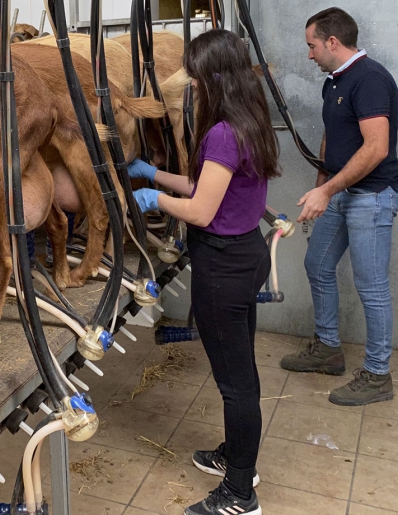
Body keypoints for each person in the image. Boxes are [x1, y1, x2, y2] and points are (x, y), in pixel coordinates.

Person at [131, 28, 279, 515]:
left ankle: (240, 493)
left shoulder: (220, 131)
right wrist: (153, 173)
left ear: (214, 78)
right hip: (245, 256)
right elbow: (205, 184)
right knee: (241, 372)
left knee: (236, 383)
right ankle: (237, 459)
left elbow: (199, 209)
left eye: (195, 78)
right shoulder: (249, 120)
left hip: (223, 267)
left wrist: (155, 200)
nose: (190, 86)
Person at [279, 7, 398, 406]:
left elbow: (376, 148)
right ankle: (329, 349)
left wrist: (327, 191)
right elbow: (332, 139)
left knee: (372, 287)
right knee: (317, 264)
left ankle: (378, 375)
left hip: (372, 197)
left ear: (333, 42)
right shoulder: (335, 82)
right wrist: (320, 189)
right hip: (341, 193)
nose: (309, 54)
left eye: (312, 45)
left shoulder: (370, 79)